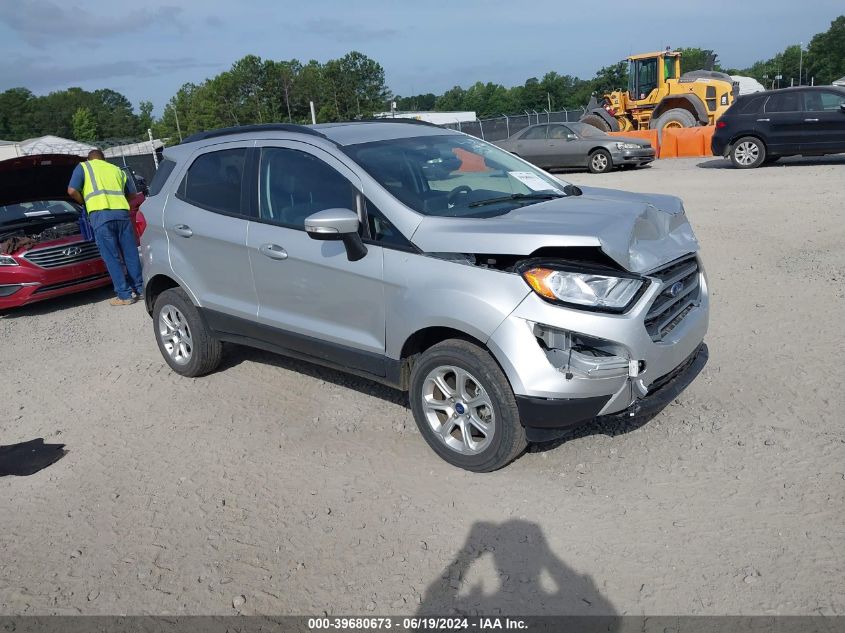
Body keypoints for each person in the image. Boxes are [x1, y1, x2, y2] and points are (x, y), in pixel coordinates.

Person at [67, 149, 143, 306]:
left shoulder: (84, 167)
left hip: (101, 216)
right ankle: (141, 289)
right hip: (122, 214)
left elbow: (72, 190)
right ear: (104, 159)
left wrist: (84, 202)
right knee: (130, 253)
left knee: (112, 257)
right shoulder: (116, 169)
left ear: (89, 159)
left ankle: (124, 295)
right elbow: (132, 195)